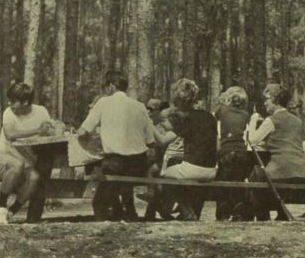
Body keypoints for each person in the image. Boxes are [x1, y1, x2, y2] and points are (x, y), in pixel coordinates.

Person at [78, 73, 154, 221]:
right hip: (139, 165)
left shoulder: (103, 102)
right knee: (120, 179)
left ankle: (110, 220)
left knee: (99, 203)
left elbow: (82, 131)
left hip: (115, 164)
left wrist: (90, 139)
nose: (104, 91)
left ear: (111, 86)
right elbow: (150, 141)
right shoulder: (140, 106)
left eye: (105, 87)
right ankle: (126, 211)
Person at [153, 78, 217, 221]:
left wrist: (148, 124)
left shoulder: (186, 119)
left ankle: (184, 210)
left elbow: (162, 141)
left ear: (178, 99)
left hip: (193, 168)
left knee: (165, 175)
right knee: (181, 174)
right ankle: (189, 211)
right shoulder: (209, 117)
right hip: (211, 170)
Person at [0, 82, 52, 225]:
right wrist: (37, 130)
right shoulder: (8, 112)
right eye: (9, 100)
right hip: (1, 156)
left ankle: (10, 213)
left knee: (35, 177)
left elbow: (48, 130)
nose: (9, 104)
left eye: (13, 101)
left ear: (25, 102)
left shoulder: (41, 111)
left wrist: (53, 128)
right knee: (17, 165)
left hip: (27, 162)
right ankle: (0, 206)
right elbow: (10, 134)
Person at [247, 83, 305, 221]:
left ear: (275, 100)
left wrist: (253, 120)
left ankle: (262, 215)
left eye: (267, 99)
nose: (265, 103)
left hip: (283, 168)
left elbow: (252, 140)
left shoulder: (272, 120)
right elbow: (287, 140)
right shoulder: (297, 121)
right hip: (302, 169)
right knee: (264, 176)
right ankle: (280, 213)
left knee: (256, 173)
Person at [214, 86, 251, 221]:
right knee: (238, 180)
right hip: (241, 150)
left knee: (223, 180)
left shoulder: (222, 110)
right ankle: (239, 210)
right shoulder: (245, 114)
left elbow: (215, 120)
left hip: (226, 149)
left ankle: (223, 211)